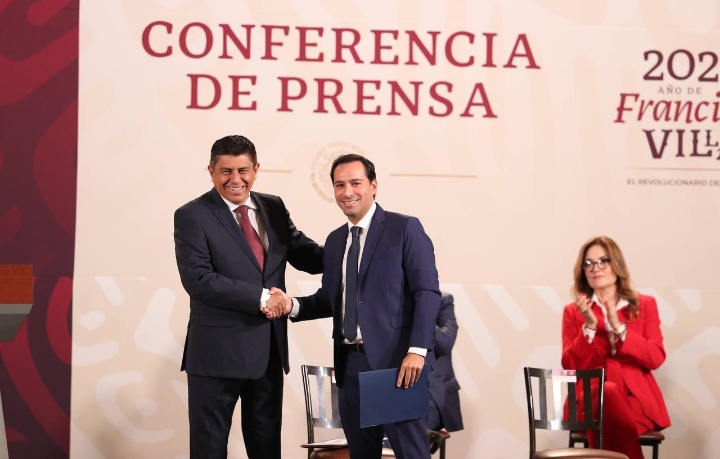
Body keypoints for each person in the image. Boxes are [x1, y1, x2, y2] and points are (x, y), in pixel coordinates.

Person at [272, 153, 441, 459]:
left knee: (411, 454)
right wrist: (291, 305)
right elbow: (329, 299)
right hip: (349, 366)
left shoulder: (404, 228)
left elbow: (427, 292)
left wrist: (417, 350)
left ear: (373, 185)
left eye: (355, 183)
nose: (347, 191)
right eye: (340, 185)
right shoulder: (336, 240)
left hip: (395, 365)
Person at [173, 135, 323, 459]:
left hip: (267, 354)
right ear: (211, 171)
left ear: (256, 169)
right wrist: (262, 297)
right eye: (225, 171)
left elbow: (307, 255)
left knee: (267, 450)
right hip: (216, 356)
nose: (235, 179)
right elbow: (199, 280)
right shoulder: (192, 215)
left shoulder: (274, 207)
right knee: (209, 450)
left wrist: (353, 250)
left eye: (243, 170)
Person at [561, 236, 671, 459]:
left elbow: (656, 357)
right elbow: (571, 366)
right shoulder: (574, 311)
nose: (596, 268)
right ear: (583, 270)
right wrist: (589, 326)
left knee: (614, 419)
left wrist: (620, 327)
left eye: (603, 261)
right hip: (589, 398)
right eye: (588, 263)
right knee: (607, 394)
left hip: (635, 399)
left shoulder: (645, 304)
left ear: (616, 264)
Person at [427, 292, 464, 434]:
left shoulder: (442, 300)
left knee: (409, 432)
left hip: (430, 393)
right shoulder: (385, 302)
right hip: (391, 388)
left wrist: (419, 314)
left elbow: (445, 344)